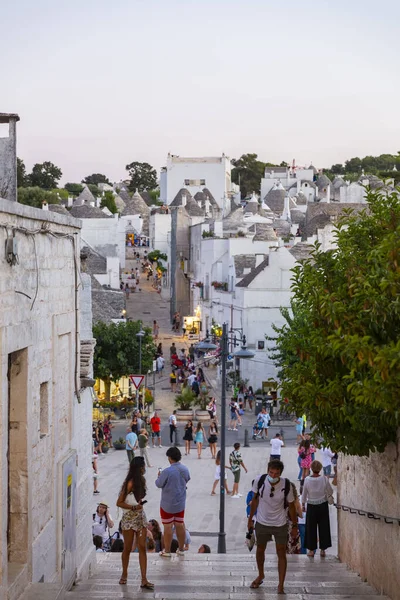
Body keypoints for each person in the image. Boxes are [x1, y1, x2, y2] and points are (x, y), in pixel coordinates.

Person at [247, 459, 298, 592]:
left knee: (281, 552)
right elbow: (254, 501)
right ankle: (261, 574)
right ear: (267, 470)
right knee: (260, 550)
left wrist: (294, 525)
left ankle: (281, 584)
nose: (273, 476)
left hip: (280, 523)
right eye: (271, 472)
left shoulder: (286, 485)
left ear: (281, 473)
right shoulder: (259, 481)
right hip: (262, 522)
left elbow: (292, 506)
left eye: (277, 474)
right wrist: (250, 519)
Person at [116, 456, 154, 588]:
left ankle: (144, 579)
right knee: (127, 547)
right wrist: (133, 507)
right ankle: (124, 574)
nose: (144, 469)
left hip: (140, 517)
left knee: (142, 547)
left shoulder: (141, 481)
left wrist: (138, 504)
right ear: (139, 468)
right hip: (128, 518)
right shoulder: (130, 483)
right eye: (143, 466)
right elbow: (119, 502)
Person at [155, 447, 191, 557]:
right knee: (180, 524)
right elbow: (188, 478)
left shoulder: (167, 471)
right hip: (180, 502)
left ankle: (167, 551)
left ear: (170, 458)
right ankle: (181, 549)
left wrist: (159, 476)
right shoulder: (185, 469)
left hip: (167, 504)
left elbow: (158, 484)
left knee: (167, 526)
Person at [301, 460, 333, 558]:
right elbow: (330, 491)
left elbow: (304, 493)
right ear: (320, 469)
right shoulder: (324, 479)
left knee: (311, 528)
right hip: (322, 505)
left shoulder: (307, 480)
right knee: (324, 527)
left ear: (311, 468)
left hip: (311, 505)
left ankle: (311, 550)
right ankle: (323, 550)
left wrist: (303, 505)